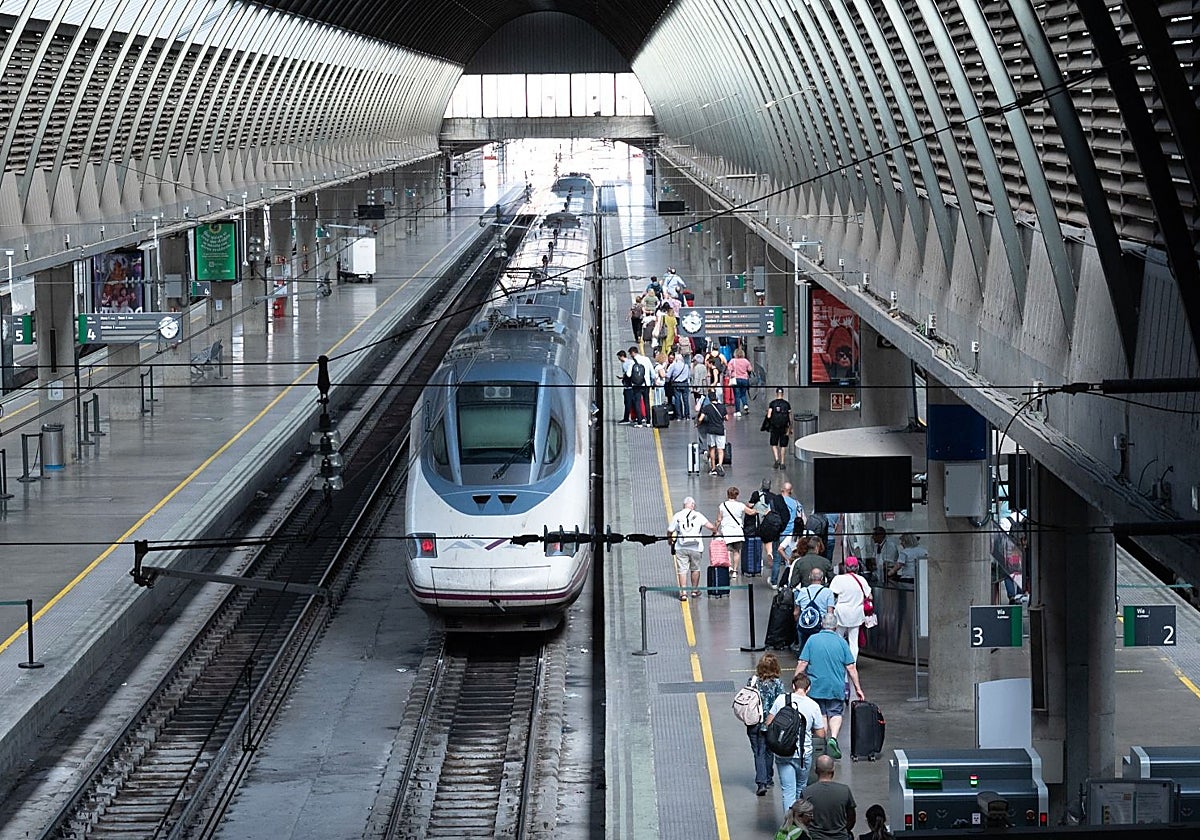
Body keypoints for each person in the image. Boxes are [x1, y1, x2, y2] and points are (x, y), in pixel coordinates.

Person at [795, 612, 865, 760]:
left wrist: (796, 682)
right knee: (836, 713)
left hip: (816, 687)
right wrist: (858, 688)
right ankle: (833, 738)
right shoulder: (841, 642)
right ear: (835, 626)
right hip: (836, 687)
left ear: (822, 624)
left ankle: (823, 742)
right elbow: (851, 667)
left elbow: (802, 663)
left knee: (821, 714)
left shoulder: (812, 640)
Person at [765, 672, 825, 813]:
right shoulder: (813, 706)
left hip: (783, 752)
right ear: (808, 688)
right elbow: (821, 734)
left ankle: (788, 827)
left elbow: (769, 722)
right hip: (803, 754)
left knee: (788, 791)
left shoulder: (781, 700)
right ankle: (800, 824)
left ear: (793, 686)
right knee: (800, 788)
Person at [747, 653, 786, 797]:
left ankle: (761, 782)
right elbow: (781, 703)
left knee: (758, 752)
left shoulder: (753, 681)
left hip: (753, 722)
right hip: (770, 724)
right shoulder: (778, 684)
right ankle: (768, 778)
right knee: (769, 751)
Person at [667, 496, 717, 601]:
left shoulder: (677, 515)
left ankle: (683, 593)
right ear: (693, 505)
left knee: (682, 570)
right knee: (695, 568)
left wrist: (670, 540)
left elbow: (670, 530)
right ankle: (694, 591)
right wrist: (714, 531)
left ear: (684, 505)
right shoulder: (698, 515)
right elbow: (710, 526)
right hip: (696, 547)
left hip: (681, 547)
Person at [803, 754, 857, 840]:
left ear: (816, 770)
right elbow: (852, 818)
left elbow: (801, 820)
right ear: (833, 770)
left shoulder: (806, 792)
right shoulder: (844, 790)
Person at [829, 556, 871, 661]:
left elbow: (831, 594)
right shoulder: (862, 580)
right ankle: (852, 663)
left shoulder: (838, 579)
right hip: (856, 613)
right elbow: (870, 596)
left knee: (838, 638)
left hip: (841, 613)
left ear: (845, 567)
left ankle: (838, 661)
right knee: (853, 641)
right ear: (857, 568)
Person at [793, 568, 836, 652]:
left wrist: (799, 623)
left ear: (809, 577)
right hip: (820, 627)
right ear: (822, 578)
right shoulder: (828, 592)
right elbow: (830, 613)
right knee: (819, 650)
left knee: (804, 649)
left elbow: (796, 613)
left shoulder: (802, 591)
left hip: (804, 625)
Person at [715, 486, 754, 579]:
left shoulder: (723, 505)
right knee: (736, 551)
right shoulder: (740, 505)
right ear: (737, 495)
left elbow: (719, 519)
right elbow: (751, 512)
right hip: (737, 531)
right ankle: (735, 571)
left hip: (727, 531)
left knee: (727, 550)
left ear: (727, 494)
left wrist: (715, 530)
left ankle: (729, 567)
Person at [695, 392, 727, 477]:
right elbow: (726, 418)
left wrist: (697, 424)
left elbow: (701, 418)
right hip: (720, 430)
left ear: (709, 399)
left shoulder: (707, 408)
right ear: (716, 398)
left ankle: (713, 469)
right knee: (720, 449)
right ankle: (719, 464)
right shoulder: (722, 406)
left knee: (712, 449)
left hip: (710, 430)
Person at [776, 482, 805, 564]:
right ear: (791, 491)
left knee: (778, 556)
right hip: (791, 533)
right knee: (790, 558)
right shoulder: (796, 503)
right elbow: (801, 516)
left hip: (779, 532)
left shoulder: (776, 502)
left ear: (782, 490)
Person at [765, 388, 792, 469]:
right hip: (784, 427)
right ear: (782, 394)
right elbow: (790, 417)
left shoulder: (772, 404)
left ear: (776, 394)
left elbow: (769, 416)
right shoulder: (787, 404)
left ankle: (777, 459)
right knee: (783, 445)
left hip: (774, 427)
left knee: (774, 444)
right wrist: (791, 427)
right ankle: (783, 463)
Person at [628, 345, 652, 426]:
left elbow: (628, 374)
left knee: (637, 403)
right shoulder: (646, 359)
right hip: (646, 384)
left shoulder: (632, 362)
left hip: (636, 385)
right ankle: (648, 422)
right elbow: (652, 372)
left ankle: (640, 422)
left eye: (630, 354)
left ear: (633, 353)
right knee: (647, 403)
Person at [727, 347, 754, 416]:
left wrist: (730, 376)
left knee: (737, 396)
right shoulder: (746, 361)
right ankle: (745, 405)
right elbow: (750, 369)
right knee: (743, 394)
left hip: (736, 379)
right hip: (745, 379)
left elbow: (729, 369)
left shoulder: (733, 361)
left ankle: (738, 411)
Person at [665, 351, 692, 420]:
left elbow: (668, 375)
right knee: (686, 400)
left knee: (677, 399)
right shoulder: (686, 366)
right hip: (685, 383)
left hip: (676, 384)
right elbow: (689, 376)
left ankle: (679, 416)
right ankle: (687, 415)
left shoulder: (674, 365)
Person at [616, 350, 637, 425]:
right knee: (634, 402)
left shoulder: (625, 364)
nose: (619, 359)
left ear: (621, 356)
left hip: (628, 387)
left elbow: (628, 375)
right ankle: (638, 417)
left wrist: (623, 377)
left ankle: (626, 418)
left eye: (619, 357)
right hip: (634, 386)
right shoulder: (631, 361)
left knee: (627, 403)